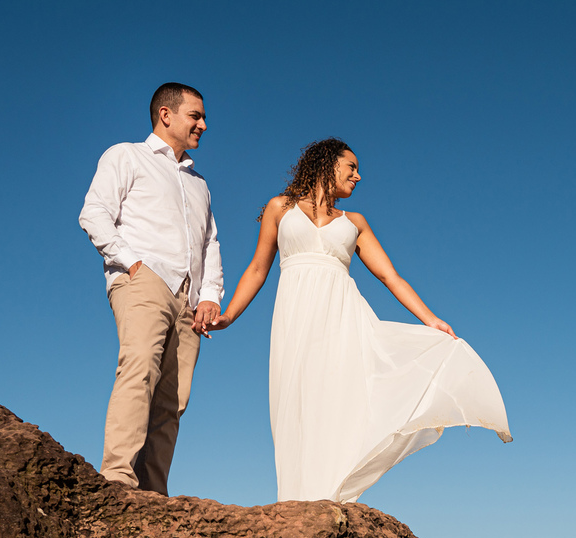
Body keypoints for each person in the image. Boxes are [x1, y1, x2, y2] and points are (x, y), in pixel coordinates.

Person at [209, 138, 510, 502]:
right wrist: (228, 316)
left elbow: (390, 277)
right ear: (326, 164)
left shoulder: (355, 222)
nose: (359, 175)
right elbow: (258, 268)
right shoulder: (280, 208)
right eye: (351, 167)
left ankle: (332, 496)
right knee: (293, 402)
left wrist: (431, 319)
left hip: (342, 319)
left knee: (338, 400)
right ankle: (296, 500)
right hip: (294, 318)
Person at [79, 82, 224, 494]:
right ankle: (117, 479)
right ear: (166, 114)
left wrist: (210, 294)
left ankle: (153, 494)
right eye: (195, 116)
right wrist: (131, 262)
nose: (203, 125)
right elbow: (94, 213)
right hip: (143, 279)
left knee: (174, 399)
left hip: (189, 296)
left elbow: (209, 241)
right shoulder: (126, 155)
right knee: (140, 366)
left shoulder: (199, 182)